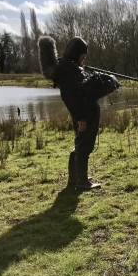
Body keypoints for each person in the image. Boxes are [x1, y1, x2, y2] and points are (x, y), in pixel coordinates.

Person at [53, 36, 101, 191]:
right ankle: (82, 182)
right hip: (83, 115)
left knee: (80, 144)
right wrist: (80, 119)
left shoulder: (71, 67)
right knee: (84, 146)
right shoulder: (68, 70)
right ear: (75, 53)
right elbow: (68, 97)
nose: (83, 58)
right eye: (82, 55)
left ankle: (76, 178)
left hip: (85, 113)